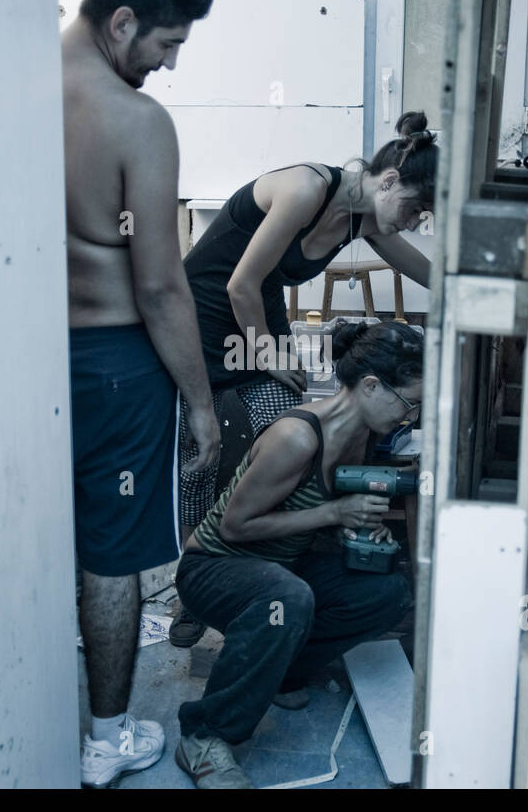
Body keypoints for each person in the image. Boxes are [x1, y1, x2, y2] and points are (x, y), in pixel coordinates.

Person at [169, 112, 438, 647]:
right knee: (207, 445)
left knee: (275, 433)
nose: (411, 223)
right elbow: (239, 282)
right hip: (203, 307)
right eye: (412, 209)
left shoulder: (367, 221)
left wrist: (488, 290)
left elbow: (433, 273)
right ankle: (193, 589)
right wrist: (267, 352)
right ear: (387, 183)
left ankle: (260, 576)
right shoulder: (306, 188)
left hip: (255, 313)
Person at [62, 0, 220, 788]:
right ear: (123, 22)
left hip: (21, 358)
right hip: (119, 365)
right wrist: (199, 402)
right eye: (165, 45)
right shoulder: (137, 123)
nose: (166, 67)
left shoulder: (6, 90)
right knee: (113, 558)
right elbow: (161, 287)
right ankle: (106, 739)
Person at [174, 321, 421, 788]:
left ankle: (279, 671)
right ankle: (204, 734)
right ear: (371, 386)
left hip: (281, 564)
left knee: (386, 591)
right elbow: (235, 526)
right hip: (213, 567)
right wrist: (334, 512)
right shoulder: (298, 436)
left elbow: (325, 523)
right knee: (286, 598)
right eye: (408, 402)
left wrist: (365, 539)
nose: (409, 416)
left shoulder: (363, 435)